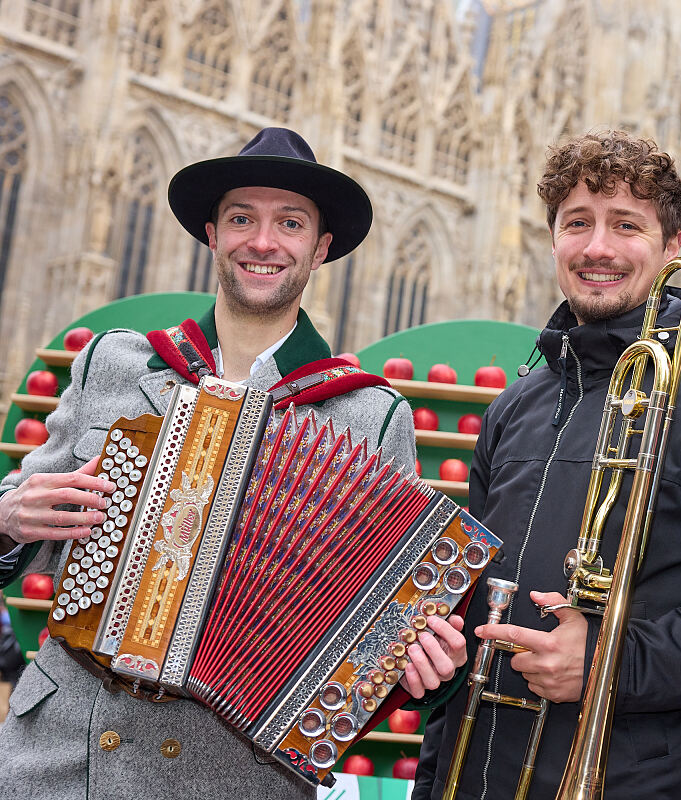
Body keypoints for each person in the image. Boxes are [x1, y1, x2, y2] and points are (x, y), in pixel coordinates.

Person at [0, 128, 466, 799]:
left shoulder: (371, 416)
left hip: (231, 775)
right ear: (213, 235)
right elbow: (34, 540)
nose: (263, 242)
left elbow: (376, 632)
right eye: (242, 218)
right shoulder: (116, 364)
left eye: (290, 223)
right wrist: (11, 517)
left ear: (319, 248)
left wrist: (423, 664)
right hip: (61, 756)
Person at [414, 130, 681, 799]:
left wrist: (607, 664)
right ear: (553, 238)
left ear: (672, 244)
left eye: (627, 225)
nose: (597, 248)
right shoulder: (515, 405)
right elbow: (467, 596)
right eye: (578, 223)